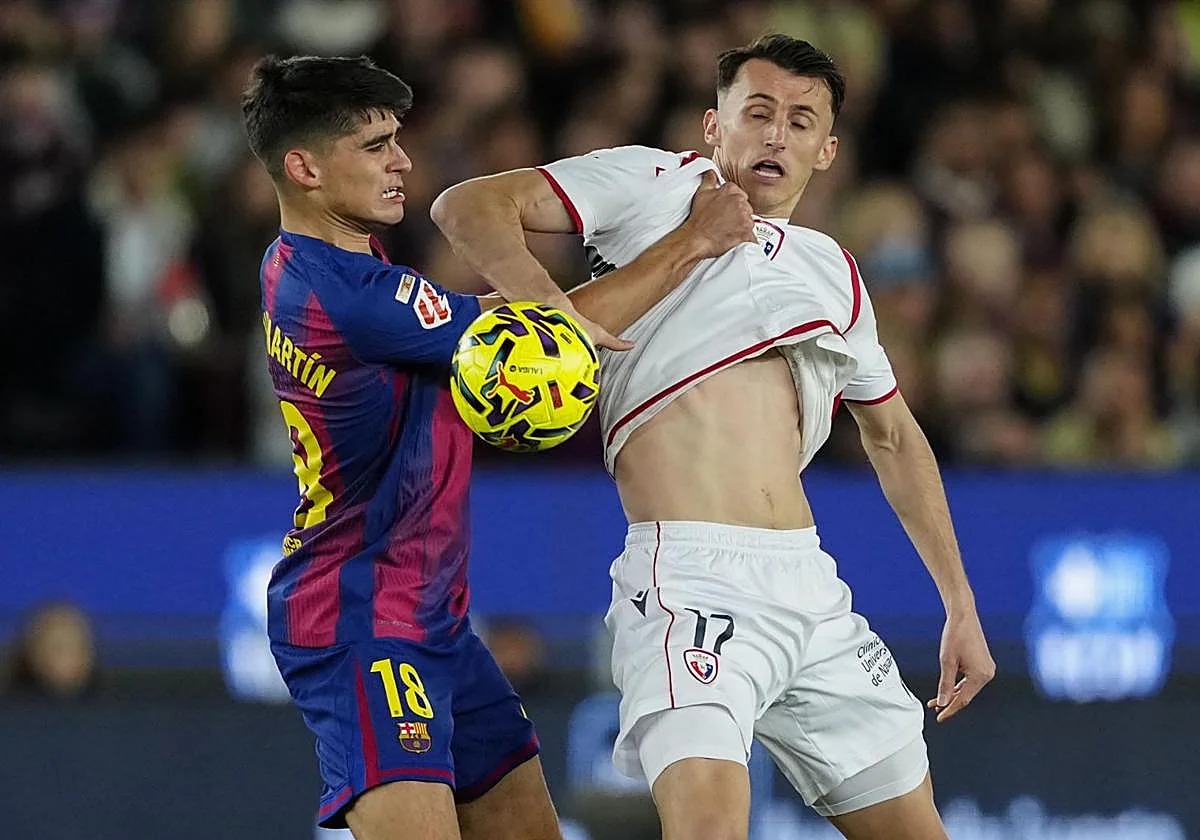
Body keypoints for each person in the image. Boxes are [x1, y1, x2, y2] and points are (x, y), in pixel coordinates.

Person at [431, 34, 995, 840]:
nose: (776, 135)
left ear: (827, 150)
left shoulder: (833, 270)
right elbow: (466, 206)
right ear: (712, 125)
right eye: (757, 113)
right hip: (688, 579)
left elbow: (896, 439)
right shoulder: (655, 183)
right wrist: (549, 316)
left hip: (809, 585)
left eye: (801, 122)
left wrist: (960, 603)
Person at [239, 54, 755, 840]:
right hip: (360, 620)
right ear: (304, 167)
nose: (402, 160)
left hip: (432, 619)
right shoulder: (340, 292)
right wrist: (691, 243)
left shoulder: (321, 264)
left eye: (396, 139)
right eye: (375, 145)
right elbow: (541, 344)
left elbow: (484, 317)